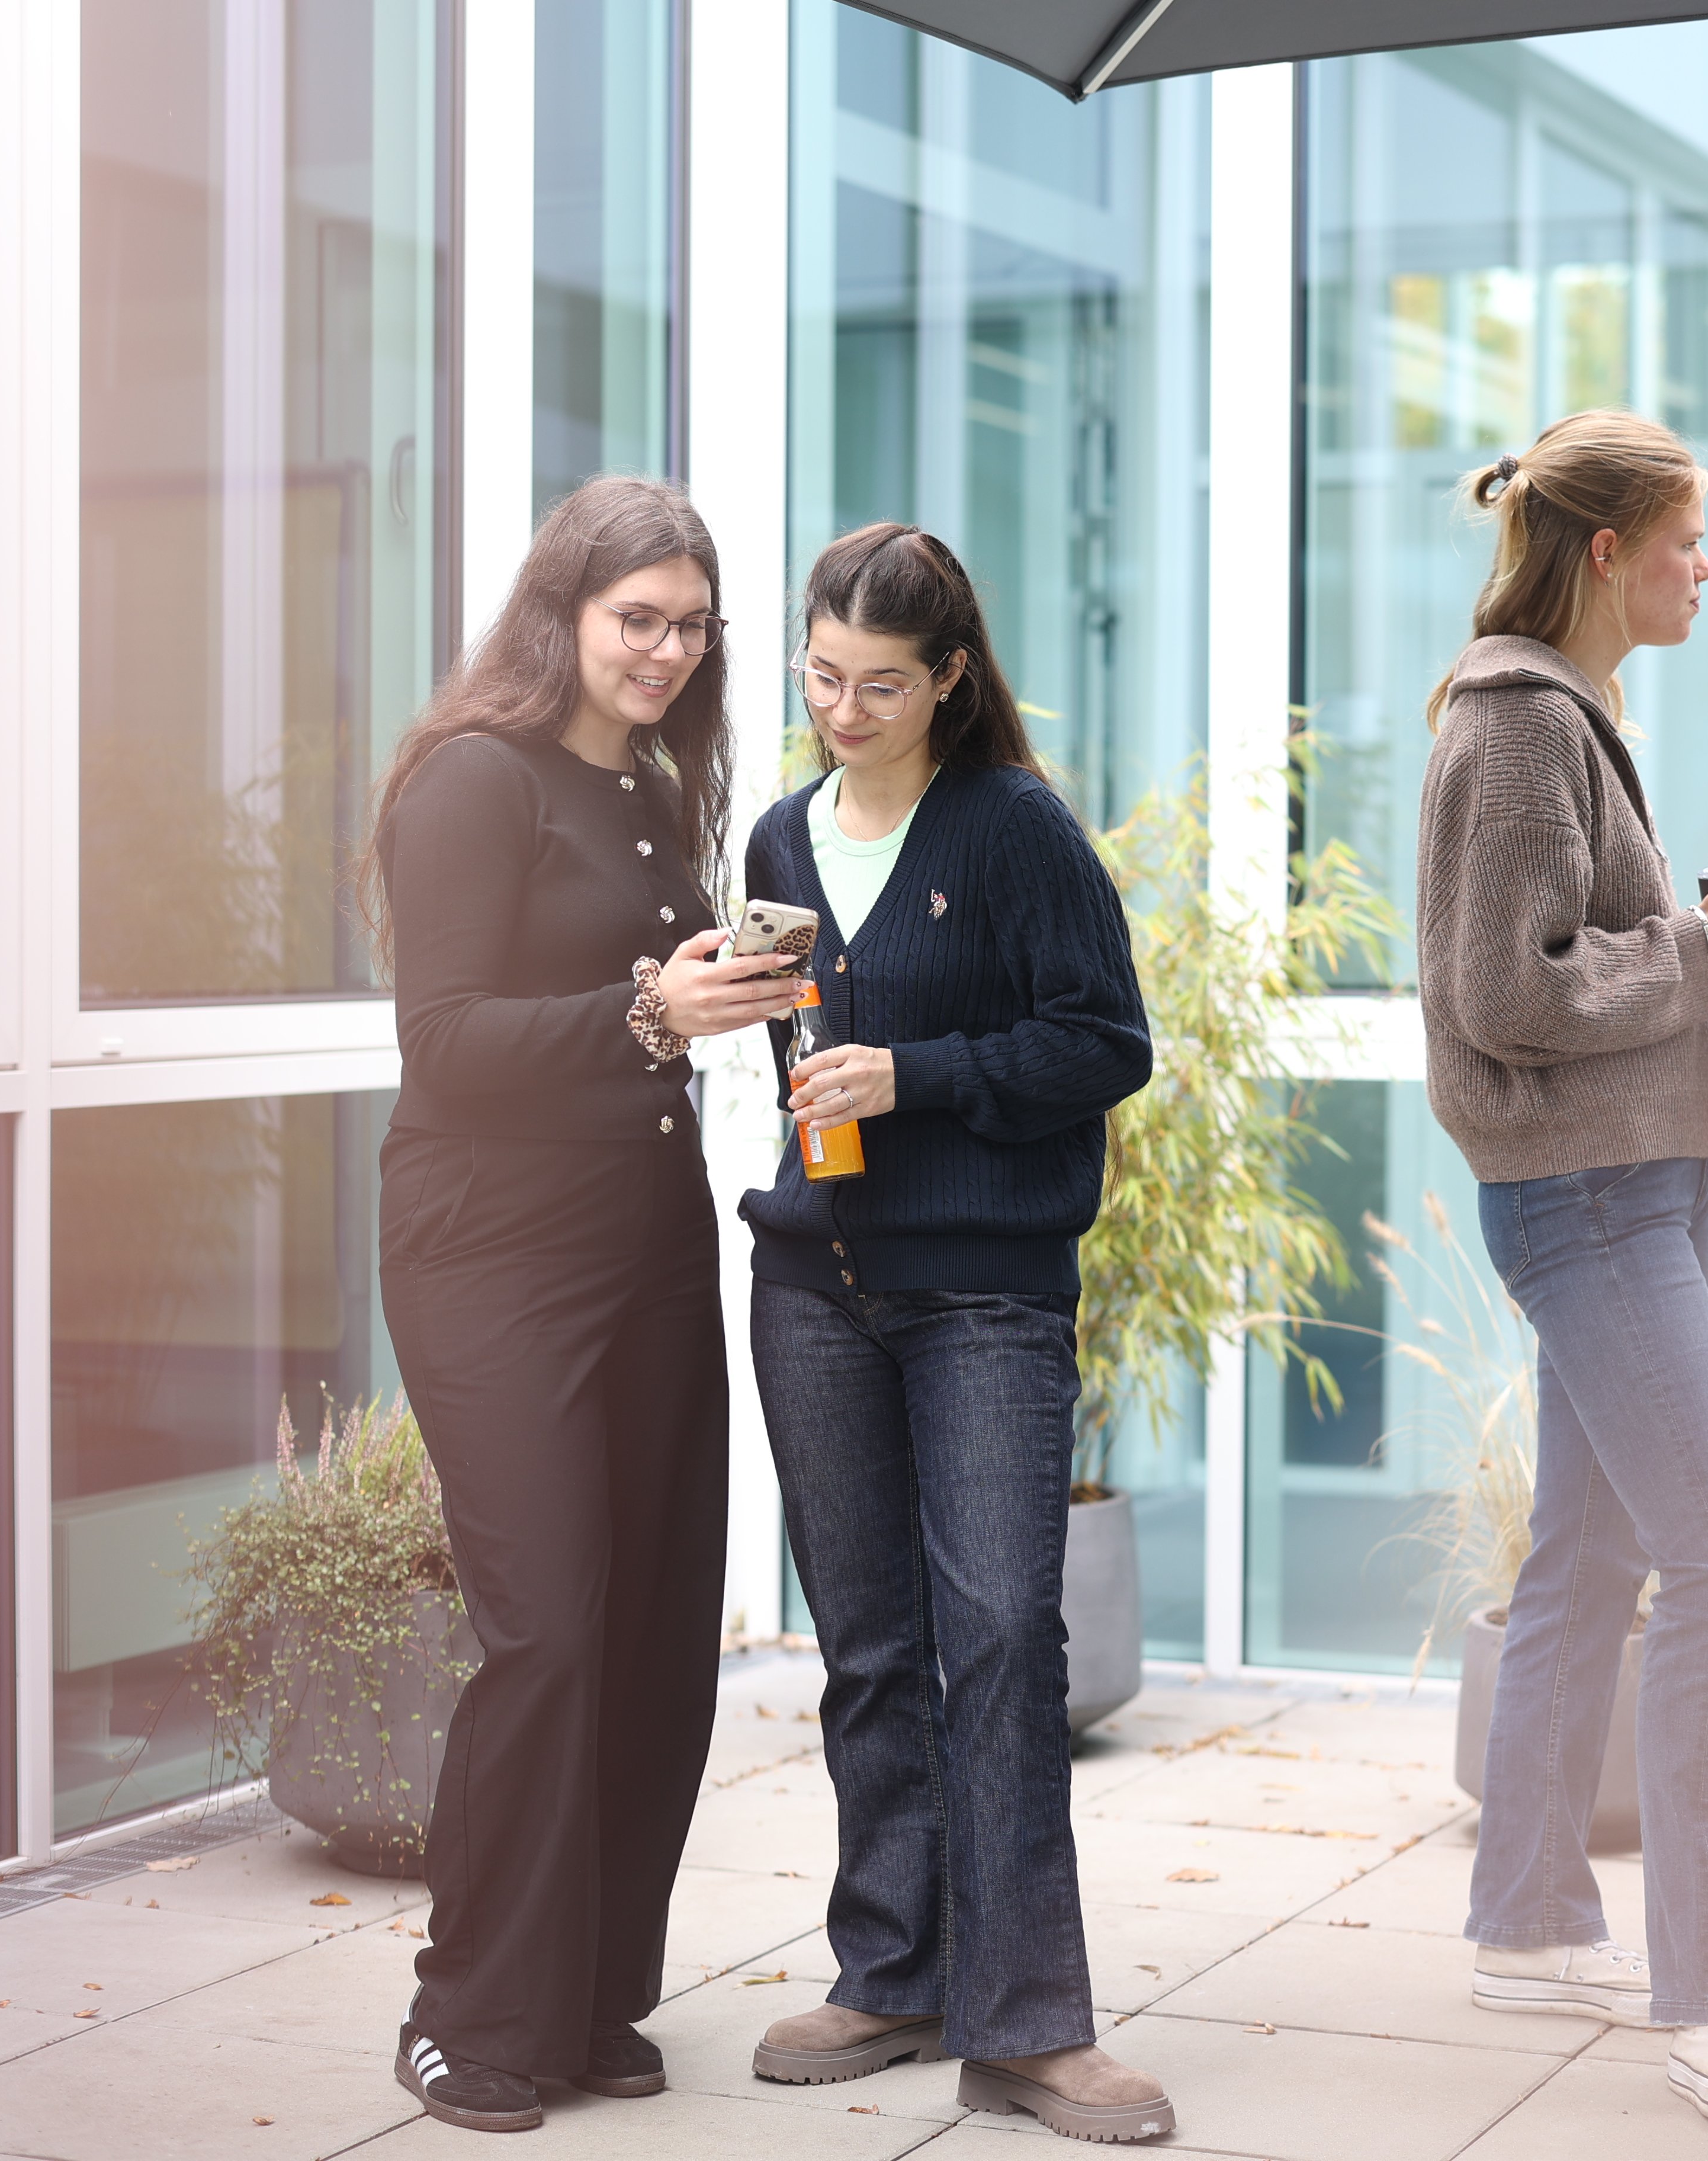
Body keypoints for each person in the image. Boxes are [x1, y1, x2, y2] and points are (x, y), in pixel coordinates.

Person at [359, 475, 804, 2135]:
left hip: (644, 1246)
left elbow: (659, 1022)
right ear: (561, 614)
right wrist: (644, 1008)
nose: (669, 653)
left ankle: (589, 2001)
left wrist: (739, 998)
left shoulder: (660, 790)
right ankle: (464, 2013)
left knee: (652, 1634)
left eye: (693, 627)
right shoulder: (475, 782)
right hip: (491, 1255)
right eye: (639, 621)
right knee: (547, 1630)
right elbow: (449, 1045)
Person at [734, 524, 1168, 2144]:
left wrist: (916, 1076)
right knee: (866, 1646)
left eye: (882, 685)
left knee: (1000, 1642)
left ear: (954, 680)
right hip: (815, 1285)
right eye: (823, 676)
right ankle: (896, 1970)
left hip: (985, 1291)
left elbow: (1102, 1041)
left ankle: (1033, 2023)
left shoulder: (1013, 830)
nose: (844, 710)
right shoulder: (785, 834)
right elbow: (797, 1027)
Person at [1414, 411, 1708, 2131]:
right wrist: (1698, 958)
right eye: (1687, 542)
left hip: (1626, 1186)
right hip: (1586, 1208)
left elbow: (1579, 979)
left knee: (1588, 1552)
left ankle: (1524, 1920)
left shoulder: (1566, 717)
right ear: (1605, 554)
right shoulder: (1514, 728)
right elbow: (1511, 993)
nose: (1705, 569)